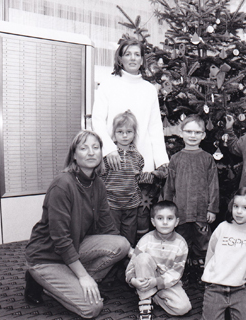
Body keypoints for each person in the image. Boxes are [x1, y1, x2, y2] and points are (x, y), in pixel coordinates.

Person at [24, 130, 130, 319]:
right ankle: (40, 278)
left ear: (101, 153)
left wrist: (133, 253)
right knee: (92, 308)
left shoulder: (97, 184)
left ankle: (70, 280)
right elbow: (60, 239)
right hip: (47, 255)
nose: (91, 153)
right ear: (74, 155)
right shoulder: (62, 185)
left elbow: (108, 227)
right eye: (84, 148)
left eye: (95, 148)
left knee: (122, 244)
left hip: (74, 246)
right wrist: (83, 276)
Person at [92, 37, 169, 238]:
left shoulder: (149, 89)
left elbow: (155, 127)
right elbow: (98, 121)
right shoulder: (108, 85)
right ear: (120, 58)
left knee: (140, 216)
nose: (132, 58)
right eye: (128, 54)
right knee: (113, 216)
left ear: (143, 59)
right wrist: (109, 150)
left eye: (137, 54)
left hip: (142, 163)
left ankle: (134, 258)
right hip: (115, 163)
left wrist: (161, 161)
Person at [162, 115, 219, 287]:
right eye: (189, 131)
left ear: (203, 135)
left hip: (201, 211)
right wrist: (167, 210)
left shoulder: (207, 159)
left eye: (197, 132)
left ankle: (204, 271)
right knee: (181, 240)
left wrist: (212, 209)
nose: (192, 136)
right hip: (181, 211)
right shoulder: (176, 159)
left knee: (203, 242)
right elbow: (169, 186)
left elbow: (213, 185)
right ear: (181, 133)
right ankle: (182, 270)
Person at [201, 187, 246, 320]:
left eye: (245, 208)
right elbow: (211, 251)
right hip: (215, 287)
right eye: (236, 206)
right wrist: (207, 274)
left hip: (239, 288)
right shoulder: (223, 227)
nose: (238, 211)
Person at [101, 110, 161, 247]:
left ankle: (127, 266)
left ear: (134, 134)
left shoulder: (137, 156)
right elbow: (100, 178)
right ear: (114, 135)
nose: (124, 135)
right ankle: (113, 267)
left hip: (131, 205)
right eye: (120, 132)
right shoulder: (109, 156)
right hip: (112, 205)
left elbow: (138, 178)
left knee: (129, 239)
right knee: (112, 239)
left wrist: (155, 175)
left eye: (128, 132)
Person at [125, 201, 192, 319]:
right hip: (146, 277)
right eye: (160, 218)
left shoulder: (181, 244)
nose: (165, 222)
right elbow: (132, 265)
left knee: (183, 307)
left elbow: (176, 273)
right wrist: (132, 280)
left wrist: (156, 282)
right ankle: (145, 300)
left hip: (167, 282)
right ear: (153, 222)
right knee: (142, 257)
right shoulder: (145, 240)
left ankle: (154, 296)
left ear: (176, 222)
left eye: (170, 218)